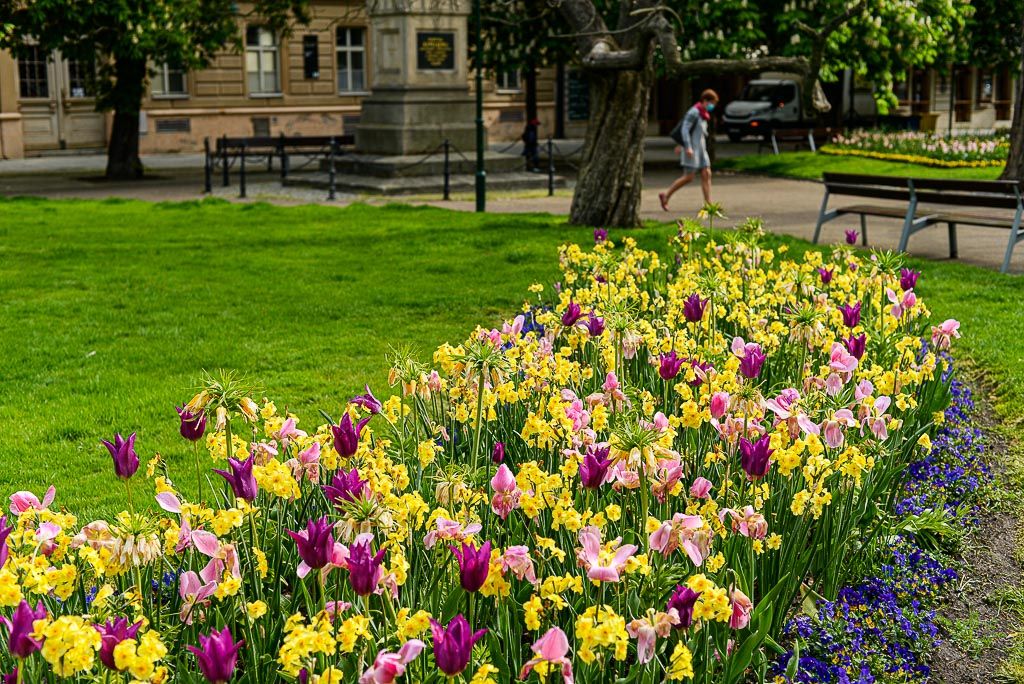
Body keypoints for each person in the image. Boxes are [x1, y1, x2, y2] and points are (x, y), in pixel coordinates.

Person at [659, 89, 719, 211]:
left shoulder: (703, 114)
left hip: (701, 150)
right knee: (689, 177)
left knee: (706, 173)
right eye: (711, 103)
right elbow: (685, 130)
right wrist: (686, 146)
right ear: (704, 101)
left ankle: (708, 204)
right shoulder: (694, 113)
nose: (712, 106)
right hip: (692, 150)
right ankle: (666, 195)